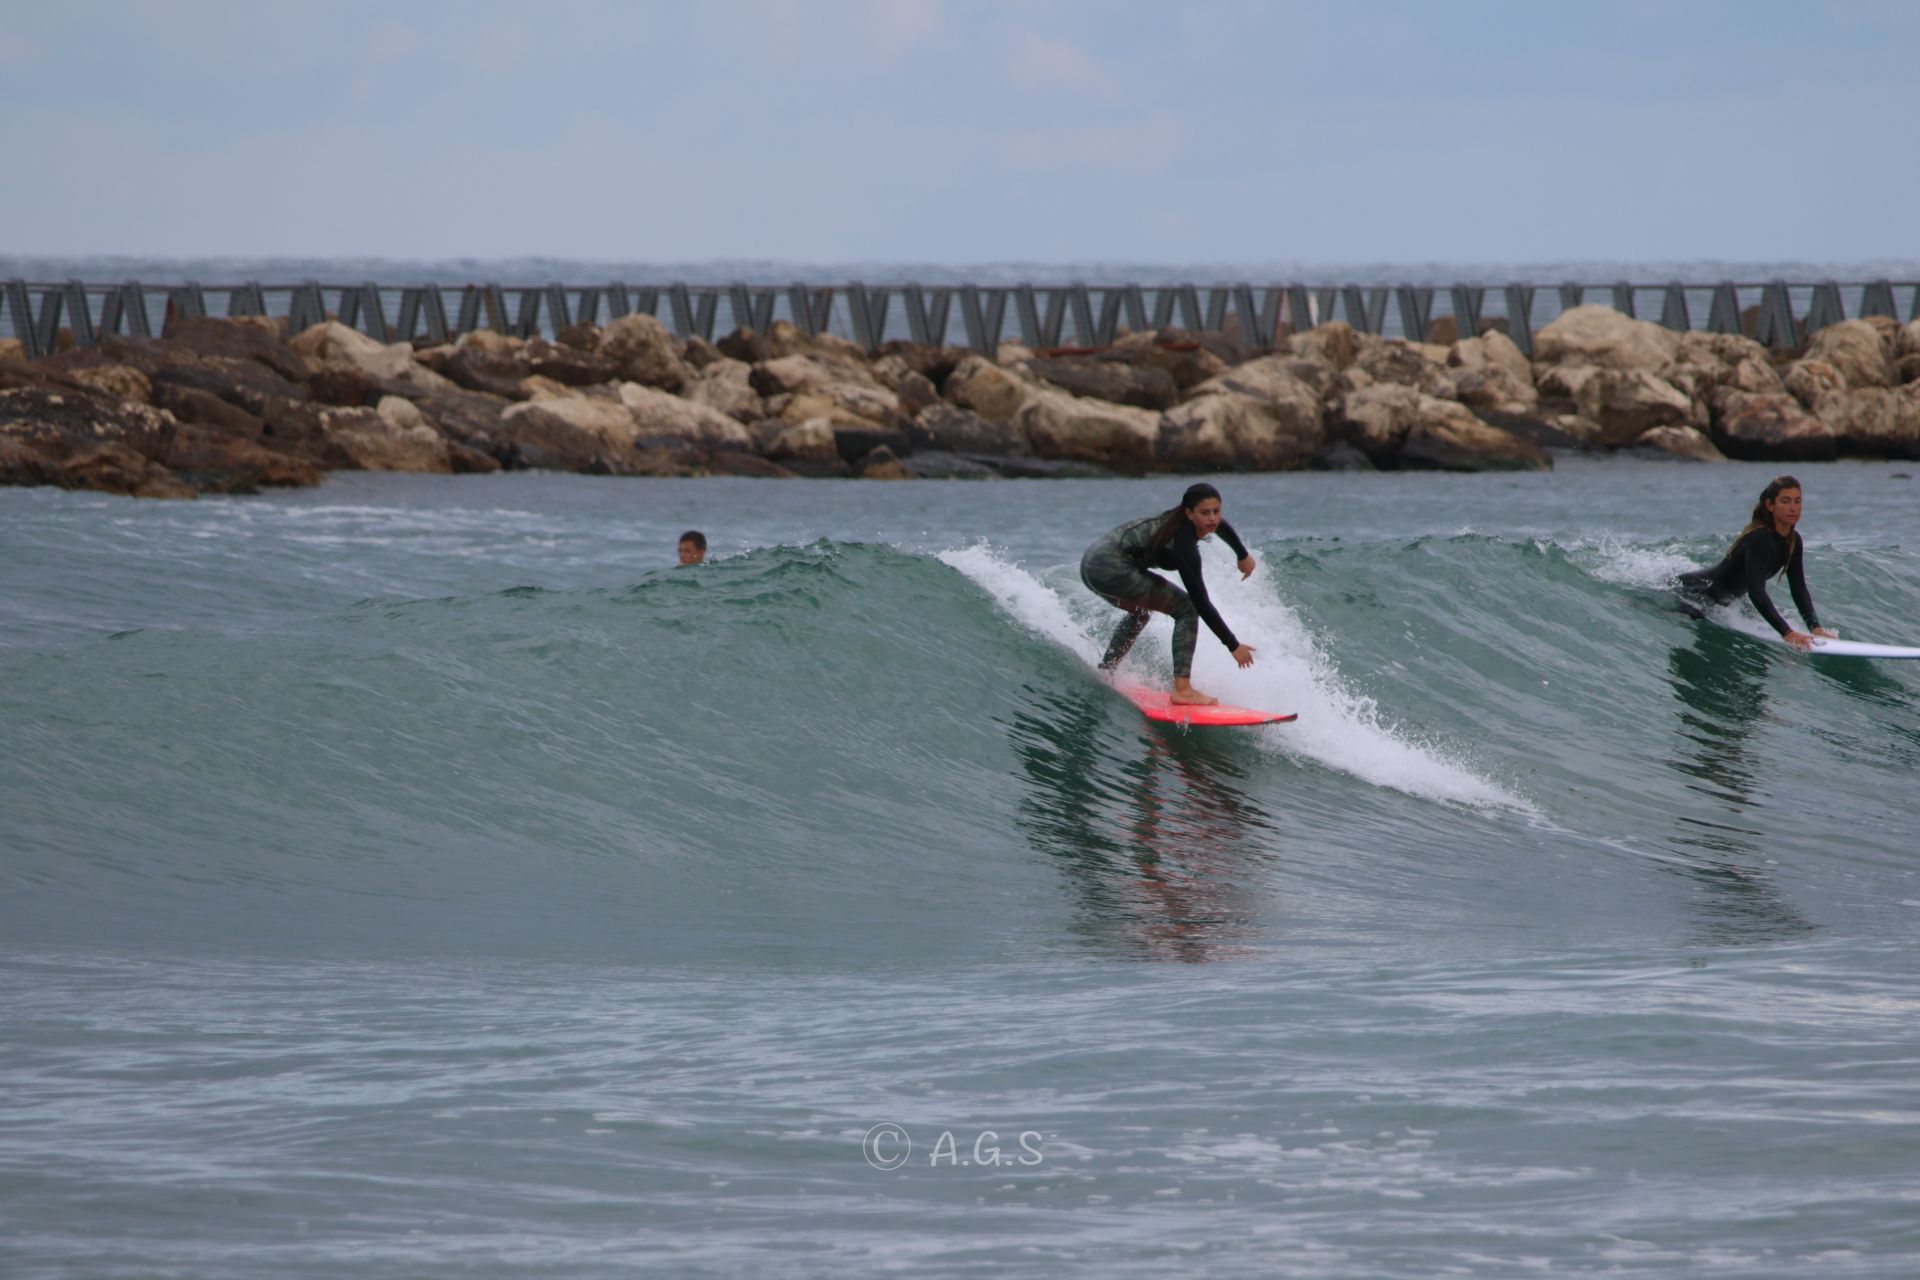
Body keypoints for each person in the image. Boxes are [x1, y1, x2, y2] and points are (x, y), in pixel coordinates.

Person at [1080, 482, 1256, 705]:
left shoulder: (1188, 522)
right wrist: (1233, 645)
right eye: (1205, 512)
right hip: (1109, 567)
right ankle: (1182, 689)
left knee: (1140, 613)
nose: (1212, 517)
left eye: (1216, 511)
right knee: (1187, 608)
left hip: (1092, 565)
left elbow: (1219, 525)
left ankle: (1106, 671)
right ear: (1189, 513)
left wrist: (1242, 555)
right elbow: (1201, 602)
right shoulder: (1184, 544)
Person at [1676, 475, 1836, 651]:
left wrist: (1815, 627)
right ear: (1770, 505)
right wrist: (1787, 633)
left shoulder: (1793, 541)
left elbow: (1798, 587)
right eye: (1785, 501)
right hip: (1696, 592)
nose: (1793, 507)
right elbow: (1756, 592)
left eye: (1797, 501)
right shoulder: (1759, 539)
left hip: (1724, 599)